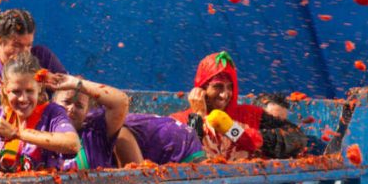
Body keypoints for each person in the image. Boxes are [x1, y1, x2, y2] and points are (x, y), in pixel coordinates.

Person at [171, 51, 306, 160]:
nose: (225, 95)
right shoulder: (179, 120)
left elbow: (297, 139)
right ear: (201, 88)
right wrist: (198, 117)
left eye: (230, 87)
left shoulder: (250, 115)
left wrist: (236, 132)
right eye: (217, 87)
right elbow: (183, 156)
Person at [50, 74, 203, 169]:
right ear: (51, 104)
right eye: (66, 102)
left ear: (87, 113)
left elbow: (141, 182)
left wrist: (76, 83)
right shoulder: (43, 131)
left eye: (79, 105)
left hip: (182, 148)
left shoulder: (102, 132)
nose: (71, 109)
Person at [0, 9, 67, 116]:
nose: (25, 53)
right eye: (17, 45)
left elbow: (71, 92)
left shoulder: (42, 56)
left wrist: (53, 84)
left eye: (29, 45)